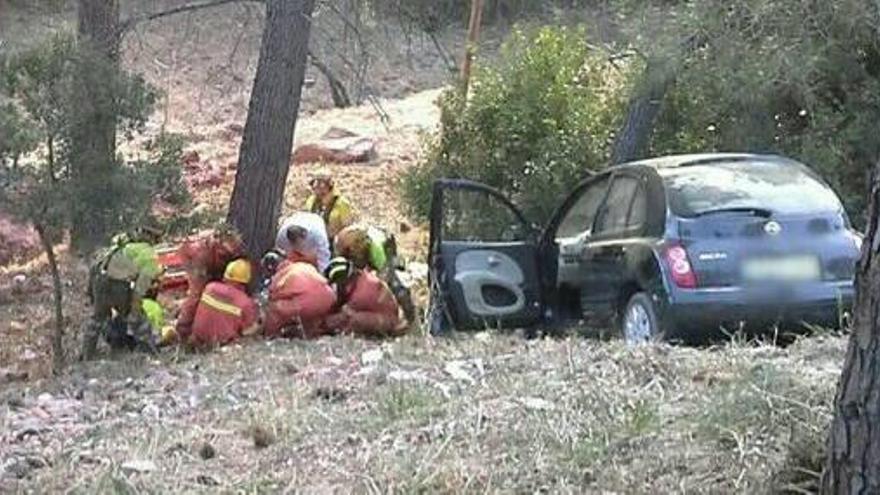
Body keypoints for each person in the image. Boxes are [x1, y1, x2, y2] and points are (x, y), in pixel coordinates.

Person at [83, 225, 164, 359]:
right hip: (118, 284)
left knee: (97, 319)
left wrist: (91, 292)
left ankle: (86, 356)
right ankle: (152, 355)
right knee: (139, 320)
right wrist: (134, 309)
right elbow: (140, 289)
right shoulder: (149, 255)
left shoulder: (122, 243)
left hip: (99, 279)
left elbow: (96, 265)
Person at [334, 223, 417, 324]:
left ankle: (410, 317)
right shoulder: (343, 242)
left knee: (394, 285)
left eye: (349, 254)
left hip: (386, 247)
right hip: (363, 240)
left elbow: (383, 280)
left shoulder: (376, 251)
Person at [264, 226, 337, 338]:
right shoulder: (303, 265)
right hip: (329, 298)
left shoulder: (279, 277)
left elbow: (272, 299)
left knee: (273, 308)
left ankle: (269, 337)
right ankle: (314, 331)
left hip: (308, 303)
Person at [175, 227, 245, 340]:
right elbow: (198, 288)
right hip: (192, 257)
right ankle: (183, 328)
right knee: (197, 292)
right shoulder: (200, 255)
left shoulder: (229, 245)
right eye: (223, 255)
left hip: (204, 256)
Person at [324, 257, 405, 338]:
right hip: (391, 313)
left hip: (390, 322)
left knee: (352, 320)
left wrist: (324, 323)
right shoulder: (362, 277)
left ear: (343, 282)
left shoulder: (359, 295)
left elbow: (341, 317)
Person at [189, 259, 260, 348]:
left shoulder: (210, 288)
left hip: (197, 343)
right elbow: (248, 332)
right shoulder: (246, 303)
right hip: (223, 349)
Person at [304, 169, 358, 241]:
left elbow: (348, 229)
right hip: (314, 242)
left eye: (321, 183)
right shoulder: (311, 201)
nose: (317, 187)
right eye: (315, 184)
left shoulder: (342, 203)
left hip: (335, 243)